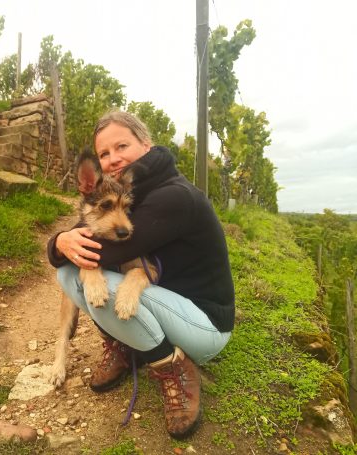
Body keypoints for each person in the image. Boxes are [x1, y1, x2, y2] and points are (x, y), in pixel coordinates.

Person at [47, 110, 235, 439]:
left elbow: (107, 250)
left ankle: (173, 366)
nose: (113, 158)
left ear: (146, 144)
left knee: (91, 278)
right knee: (70, 273)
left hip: (204, 326)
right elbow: (86, 231)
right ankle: (127, 344)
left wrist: (60, 245)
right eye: (104, 153)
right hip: (170, 307)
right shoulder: (131, 189)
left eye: (122, 146)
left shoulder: (171, 196)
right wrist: (60, 241)